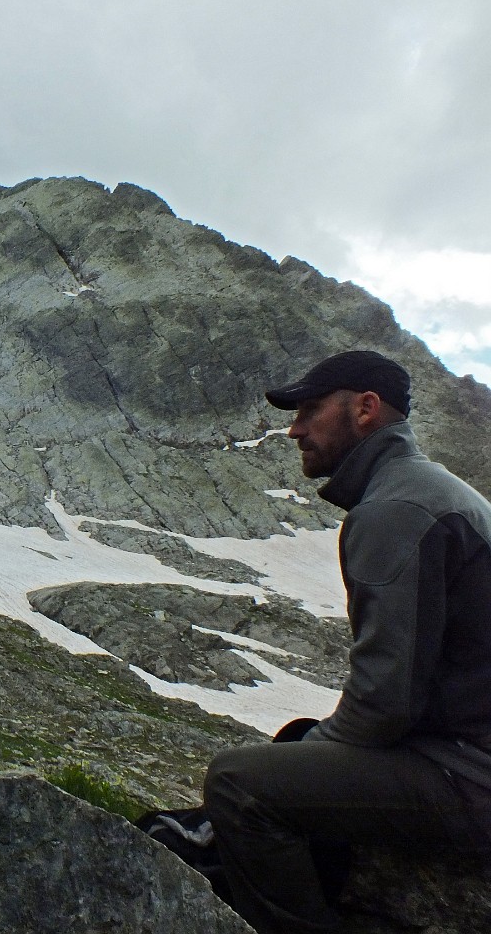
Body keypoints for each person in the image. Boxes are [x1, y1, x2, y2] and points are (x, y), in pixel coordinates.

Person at [203, 350, 491, 933]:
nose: (295, 429)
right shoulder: (429, 491)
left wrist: (312, 751)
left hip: (473, 775)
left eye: (311, 410)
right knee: (297, 746)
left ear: (365, 409)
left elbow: (384, 706)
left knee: (238, 785)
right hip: (467, 753)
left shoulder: (395, 510)